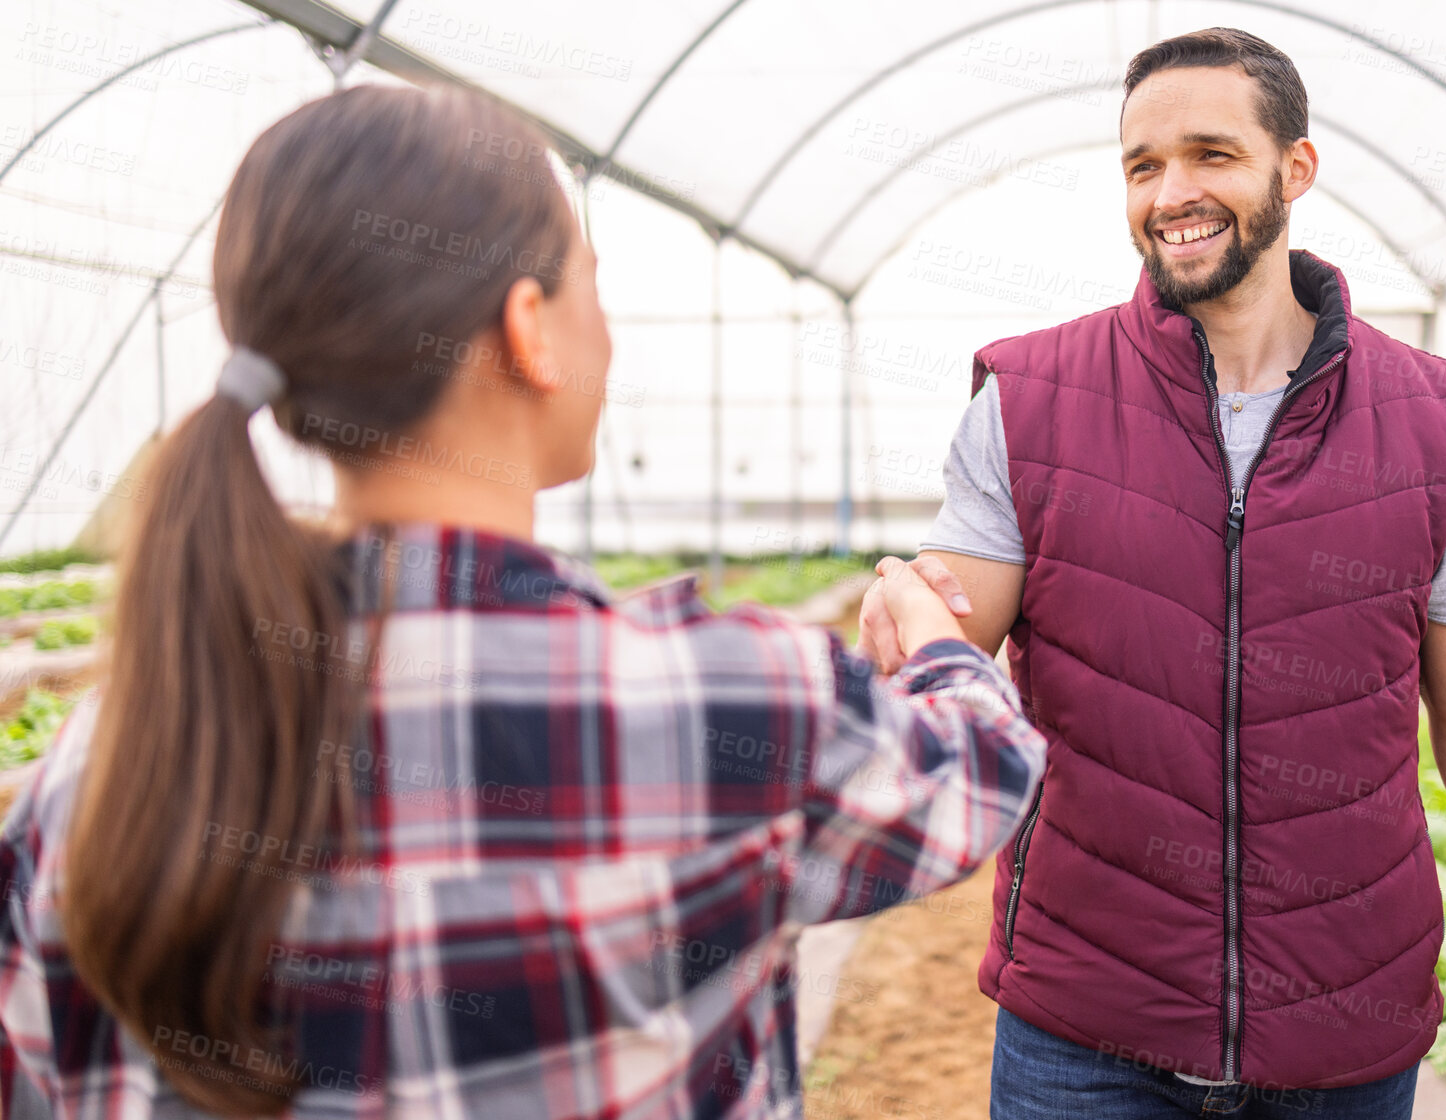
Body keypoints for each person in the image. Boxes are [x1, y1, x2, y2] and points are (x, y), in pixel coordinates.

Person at [0, 84, 1047, 1120]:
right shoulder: (726, 702)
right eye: (588, 283)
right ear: (529, 329)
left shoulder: (100, 767)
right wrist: (932, 635)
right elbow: (985, 772)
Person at [858, 28, 1446, 1120]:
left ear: (1293, 170)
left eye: (1210, 154)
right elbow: (953, 651)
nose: (1171, 192)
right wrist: (914, 611)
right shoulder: (1029, 400)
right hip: (1087, 1034)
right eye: (1142, 165)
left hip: (1342, 1038)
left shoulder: (1425, 421)